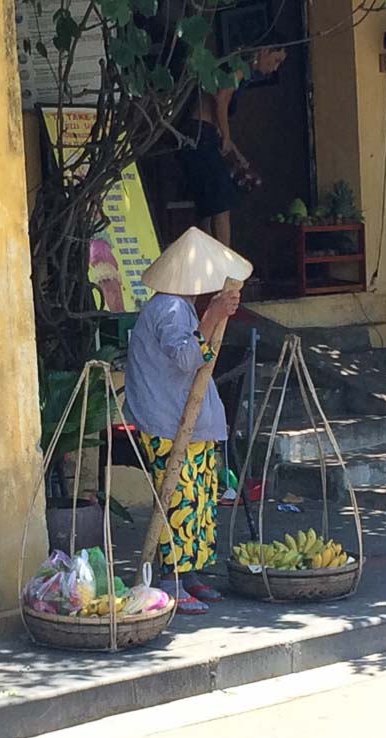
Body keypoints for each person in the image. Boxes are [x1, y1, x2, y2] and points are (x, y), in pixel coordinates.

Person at [124, 227, 253, 614]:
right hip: (167, 420)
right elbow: (185, 357)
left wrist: (211, 316)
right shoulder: (169, 308)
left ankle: (190, 574)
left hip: (188, 420)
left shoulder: (178, 307)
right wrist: (212, 314)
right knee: (177, 500)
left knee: (198, 500)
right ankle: (170, 580)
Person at [177, 41, 288, 247]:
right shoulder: (238, 67)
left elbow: (218, 123)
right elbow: (221, 99)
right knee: (221, 203)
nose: (275, 67)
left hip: (202, 134)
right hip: (200, 133)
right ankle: (225, 263)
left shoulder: (237, 70)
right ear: (264, 51)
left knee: (208, 206)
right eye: (276, 60)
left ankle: (210, 260)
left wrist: (235, 152)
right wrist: (226, 137)